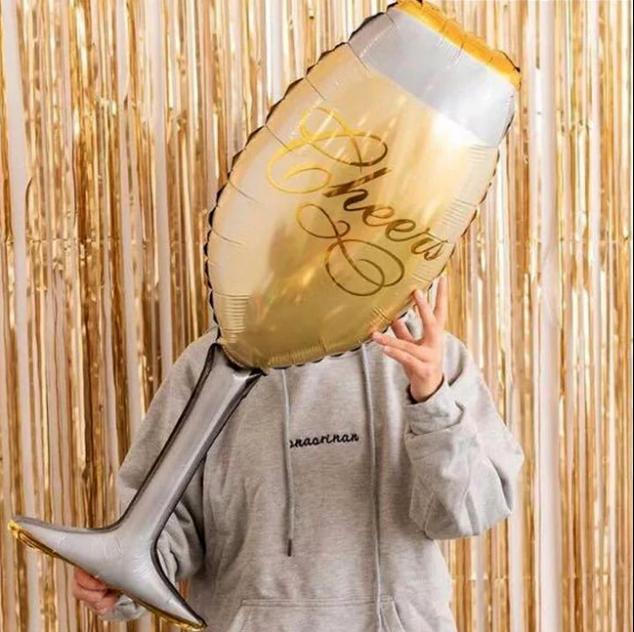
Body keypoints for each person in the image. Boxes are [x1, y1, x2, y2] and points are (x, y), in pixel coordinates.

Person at [72, 276, 524, 631]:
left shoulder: (427, 355)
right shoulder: (212, 363)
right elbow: (162, 521)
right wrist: (122, 578)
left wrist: (432, 399)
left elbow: (473, 509)